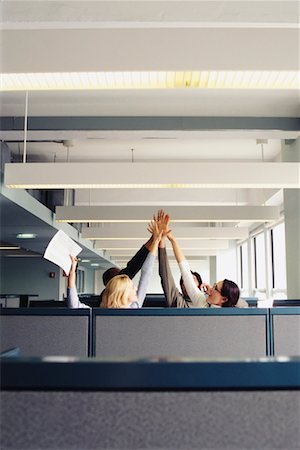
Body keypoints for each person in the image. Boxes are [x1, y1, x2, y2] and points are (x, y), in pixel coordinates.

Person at [67, 219, 163, 309]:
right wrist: (72, 273)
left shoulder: (134, 306)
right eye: (132, 286)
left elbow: (146, 273)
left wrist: (155, 240)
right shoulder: (102, 313)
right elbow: (75, 306)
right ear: (122, 293)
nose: (136, 288)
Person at [163, 213, 248, 308]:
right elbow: (185, 271)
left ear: (224, 299)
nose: (210, 288)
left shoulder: (233, 315)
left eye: (215, 288)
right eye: (214, 285)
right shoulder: (202, 303)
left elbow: (243, 304)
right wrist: (172, 240)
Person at [157, 210, 204, 308]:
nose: (187, 281)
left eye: (192, 279)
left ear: (200, 284)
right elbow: (165, 275)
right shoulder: (177, 301)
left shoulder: (207, 303)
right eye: (183, 281)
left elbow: (240, 303)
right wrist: (161, 240)